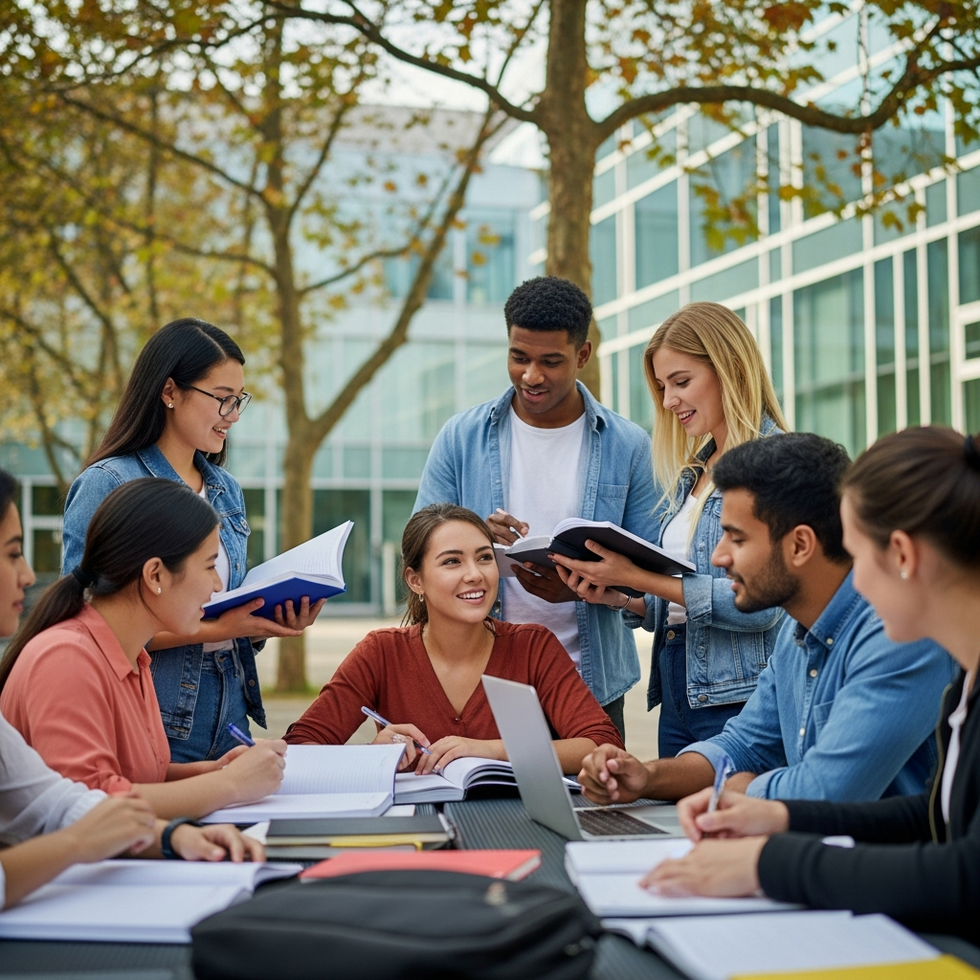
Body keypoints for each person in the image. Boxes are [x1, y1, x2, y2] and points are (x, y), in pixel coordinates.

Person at [643, 426, 980, 943]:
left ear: (904, 557)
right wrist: (775, 814)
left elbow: (965, 873)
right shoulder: (965, 683)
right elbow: (936, 813)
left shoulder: (907, 645)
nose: (855, 581)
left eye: (858, 554)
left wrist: (769, 860)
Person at [576, 432, 954, 804]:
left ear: (800, 544)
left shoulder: (897, 637)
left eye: (737, 539)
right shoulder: (795, 628)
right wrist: (646, 776)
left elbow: (826, 791)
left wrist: (741, 789)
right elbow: (742, 746)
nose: (718, 558)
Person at [0, 469, 264, 911]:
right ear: (156, 575)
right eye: (208, 566)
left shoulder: (135, 657)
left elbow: (94, 794)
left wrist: (213, 774)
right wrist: (230, 786)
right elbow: (94, 801)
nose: (218, 585)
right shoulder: (66, 658)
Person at [61, 318, 324, 762]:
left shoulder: (226, 490)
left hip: (231, 717)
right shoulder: (108, 484)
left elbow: (224, 603)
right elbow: (87, 626)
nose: (234, 415)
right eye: (222, 399)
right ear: (169, 392)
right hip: (159, 717)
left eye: (239, 400)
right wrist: (221, 627)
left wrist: (266, 619)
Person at [414, 276, 659, 738]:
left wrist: (590, 585)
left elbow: (653, 575)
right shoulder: (460, 437)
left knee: (592, 811)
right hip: (478, 681)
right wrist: (472, 536)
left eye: (551, 361)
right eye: (518, 357)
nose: (531, 376)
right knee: (479, 810)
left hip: (592, 685)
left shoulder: (628, 445)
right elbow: (417, 548)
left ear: (583, 356)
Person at [553, 303, 787, 755]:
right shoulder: (694, 472)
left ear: (731, 368)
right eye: (662, 387)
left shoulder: (775, 462)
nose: (667, 401)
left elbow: (760, 605)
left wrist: (635, 575)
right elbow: (685, 604)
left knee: (728, 822)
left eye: (681, 382)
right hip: (678, 688)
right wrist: (623, 596)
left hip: (739, 698)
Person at [284, 504, 624, 774]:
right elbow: (299, 748)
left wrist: (490, 750)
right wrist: (372, 757)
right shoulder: (381, 652)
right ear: (415, 580)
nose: (475, 574)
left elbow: (603, 746)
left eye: (484, 557)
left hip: (514, 830)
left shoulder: (533, 647)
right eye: (452, 562)